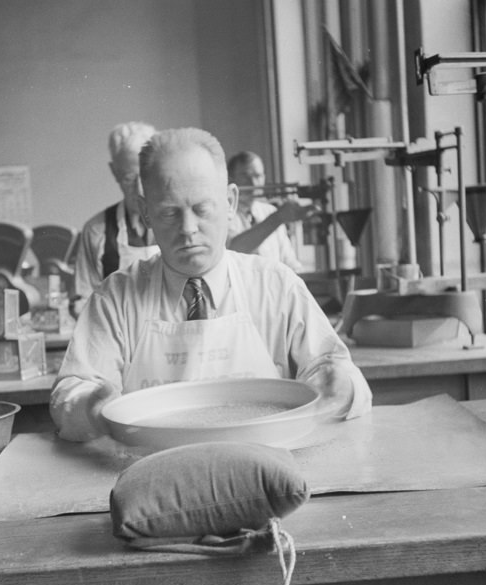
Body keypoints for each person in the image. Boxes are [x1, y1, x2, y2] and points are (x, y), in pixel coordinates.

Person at [51, 127, 371, 441]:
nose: (188, 228)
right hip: (153, 473)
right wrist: (91, 408)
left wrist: (339, 387)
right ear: (146, 213)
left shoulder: (276, 287)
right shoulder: (115, 299)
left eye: (201, 209)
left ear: (230, 202)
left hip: (267, 472)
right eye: (169, 213)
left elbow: (342, 378)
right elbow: (71, 394)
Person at [73, 121, 159, 310]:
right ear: (115, 172)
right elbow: (84, 300)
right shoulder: (97, 231)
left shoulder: (179, 223)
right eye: (129, 178)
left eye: (145, 176)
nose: (139, 189)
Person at [225, 150, 306, 272]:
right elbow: (234, 249)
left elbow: (289, 262)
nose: (253, 183)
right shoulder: (225, 213)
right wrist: (277, 218)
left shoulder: (269, 211)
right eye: (245, 177)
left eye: (258, 176)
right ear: (231, 179)